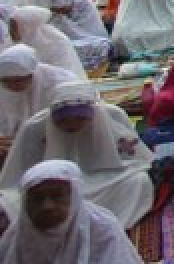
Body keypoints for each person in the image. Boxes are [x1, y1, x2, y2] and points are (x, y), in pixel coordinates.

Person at [0, 80, 153, 229]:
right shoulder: (35, 128)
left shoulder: (112, 116)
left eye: (80, 119)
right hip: (52, 189)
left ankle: (105, 226)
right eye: (64, 121)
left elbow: (136, 159)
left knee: (139, 181)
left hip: (105, 180)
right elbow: (18, 175)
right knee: (11, 202)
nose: (72, 125)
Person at [0, 160, 141, 264]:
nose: (47, 206)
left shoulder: (102, 228)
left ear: (74, 196)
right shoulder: (17, 235)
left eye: (57, 196)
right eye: (37, 199)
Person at [0, 45, 76, 159]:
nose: (12, 86)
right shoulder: (4, 89)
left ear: (31, 74)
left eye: (18, 80)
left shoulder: (61, 82)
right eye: (6, 82)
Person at [44, 0, 111, 73]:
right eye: (57, 10)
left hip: (91, 38)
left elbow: (85, 29)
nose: (60, 12)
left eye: (62, 9)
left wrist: (66, 23)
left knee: (102, 45)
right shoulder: (57, 14)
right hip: (73, 41)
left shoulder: (85, 6)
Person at [8, 5, 86, 78]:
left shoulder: (56, 42)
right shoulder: (13, 42)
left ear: (28, 27)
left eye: (14, 27)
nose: (10, 31)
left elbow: (63, 74)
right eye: (10, 26)